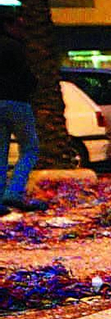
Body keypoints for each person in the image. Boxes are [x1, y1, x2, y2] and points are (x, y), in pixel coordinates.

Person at [0, 13, 45, 212]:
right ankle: (14, 191)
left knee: (1, 152)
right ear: (7, 25)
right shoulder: (14, 47)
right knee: (30, 147)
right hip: (16, 102)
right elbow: (25, 76)